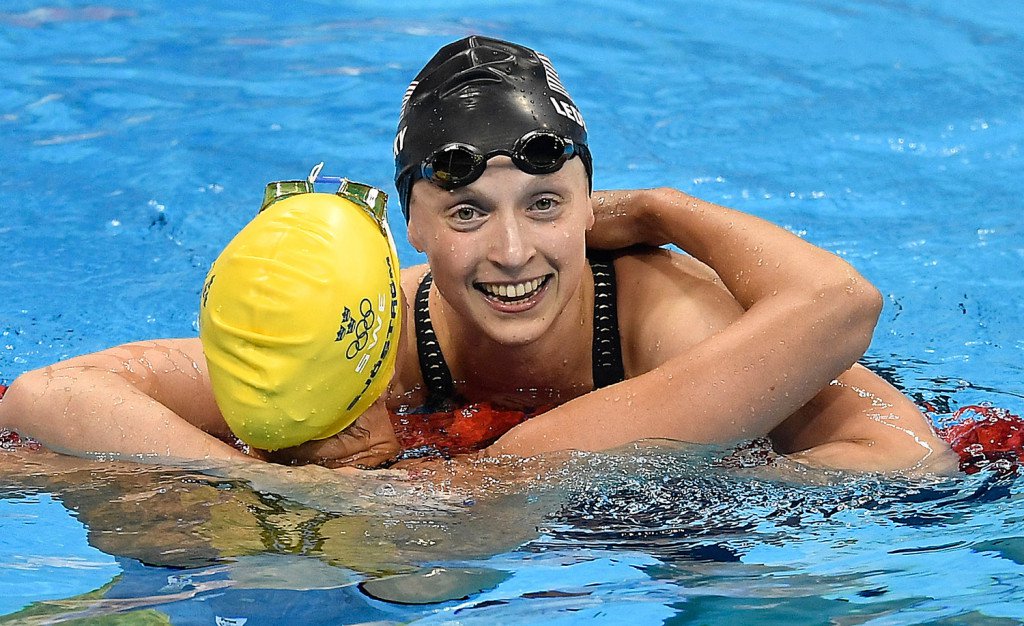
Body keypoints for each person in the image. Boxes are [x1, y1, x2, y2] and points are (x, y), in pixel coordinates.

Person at [0, 36, 956, 473]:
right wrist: (261, 477)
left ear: (590, 204)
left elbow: (842, 310)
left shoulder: (669, 319)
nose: (511, 252)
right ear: (410, 224)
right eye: (466, 213)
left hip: (870, 511)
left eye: (544, 205)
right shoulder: (382, 328)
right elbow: (47, 398)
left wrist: (665, 210)